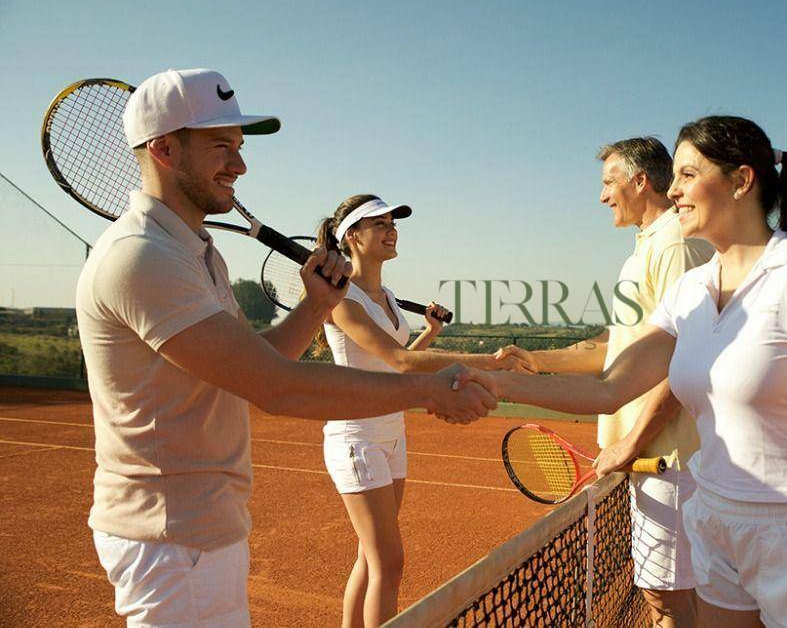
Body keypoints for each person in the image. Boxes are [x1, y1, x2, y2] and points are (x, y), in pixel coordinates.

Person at [76, 68, 495, 627]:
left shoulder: (193, 251)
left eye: (240, 147)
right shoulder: (142, 256)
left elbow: (258, 361)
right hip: (169, 534)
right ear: (164, 148)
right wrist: (425, 389)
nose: (240, 165)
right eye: (221, 146)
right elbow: (273, 387)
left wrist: (316, 304)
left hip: (203, 525)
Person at [463, 116, 787, 628]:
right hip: (715, 516)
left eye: (687, 175)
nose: (672, 190)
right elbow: (612, 387)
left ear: (741, 181)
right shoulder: (690, 290)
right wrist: (498, 383)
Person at [494, 137, 713, 627]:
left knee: (669, 602)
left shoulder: (675, 241)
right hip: (648, 460)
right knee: (669, 599)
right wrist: (536, 359)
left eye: (608, 183)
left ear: (640, 181)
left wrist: (633, 442)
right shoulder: (646, 247)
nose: (602, 196)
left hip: (666, 459)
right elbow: (619, 350)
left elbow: (686, 356)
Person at [312, 193, 529, 627]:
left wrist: (429, 334)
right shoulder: (340, 299)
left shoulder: (387, 296)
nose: (391, 229)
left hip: (391, 431)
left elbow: (395, 360)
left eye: (393, 222)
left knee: (370, 558)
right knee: (389, 564)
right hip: (356, 437)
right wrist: (489, 361)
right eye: (380, 223)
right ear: (352, 236)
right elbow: (402, 364)